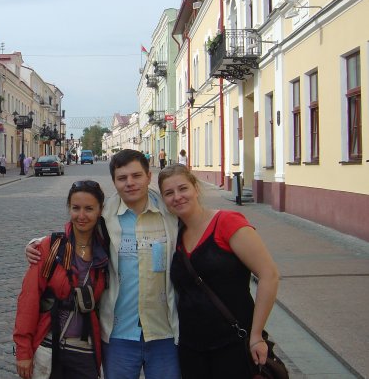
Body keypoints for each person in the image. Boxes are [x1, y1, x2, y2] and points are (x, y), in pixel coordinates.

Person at [27, 149, 180, 379]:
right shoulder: (105, 216)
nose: (130, 183)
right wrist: (37, 244)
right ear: (114, 182)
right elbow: (76, 232)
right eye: (122, 178)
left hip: (163, 331)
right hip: (120, 334)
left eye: (136, 176)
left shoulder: (170, 213)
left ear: (149, 176)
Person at [158, 164, 279, 378]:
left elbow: (269, 275)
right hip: (191, 347)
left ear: (196, 188)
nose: (177, 197)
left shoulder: (226, 222)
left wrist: (256, 335)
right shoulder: (174, 234)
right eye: (169, 193)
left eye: (183, 188)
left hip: (233, 343)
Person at [14, 180, 109, 379]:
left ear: (100, 210)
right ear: (69, 208)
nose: (81, 215)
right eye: (76, 208)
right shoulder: (51, 248)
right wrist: (23, 350)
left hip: (85, 351)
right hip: (49, 348)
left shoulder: (106, 252)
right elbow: (28, 300)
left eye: (89, 209)